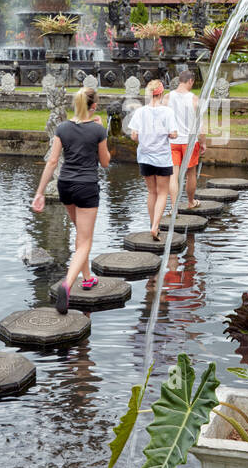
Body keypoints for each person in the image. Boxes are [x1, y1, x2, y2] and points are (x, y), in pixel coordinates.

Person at [33, 86, 111, 315]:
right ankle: (68, 283)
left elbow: (52, 161)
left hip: (65, 186)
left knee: (80, 233)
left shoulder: (63, 128)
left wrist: (39, 192)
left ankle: (87, 278)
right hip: (86, 187)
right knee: (85, 240)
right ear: (94, 106)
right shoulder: (98, 130)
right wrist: (101, 131)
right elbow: (105, 162)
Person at [130, 79, 178, 240]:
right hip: (162, 157)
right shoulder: (167, 112)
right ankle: (156, 226)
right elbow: (173, 134)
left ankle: (152, 224)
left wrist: (145, 138)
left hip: (144, 156)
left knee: (151, 192)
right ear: (162, 93)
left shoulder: (140, 112)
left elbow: (134, 135)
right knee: (163, 192)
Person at [167, 69, 203, 210]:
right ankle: (190, 202)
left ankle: (174, 207)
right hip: (189, 142)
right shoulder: (194, 99)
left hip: (172, 142)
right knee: (191, 173)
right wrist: (203, 142)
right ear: (190, 81)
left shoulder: (167, 98)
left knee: (173, 175)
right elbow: (201, 125)